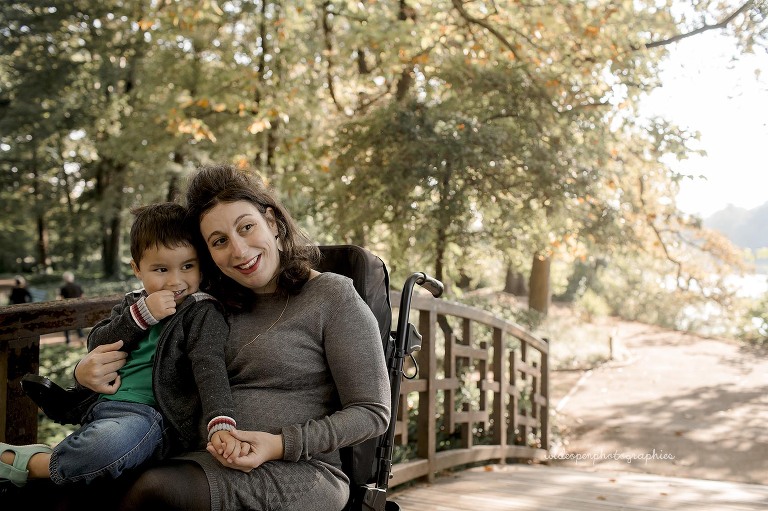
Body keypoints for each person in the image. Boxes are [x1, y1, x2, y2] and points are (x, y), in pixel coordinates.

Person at [71, 164, 391, 511]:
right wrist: (83, 373)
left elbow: (372, 412)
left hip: (299, 469)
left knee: (155, 492)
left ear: (271, 221)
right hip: (193, 456)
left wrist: (279, 444)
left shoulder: (332, 296)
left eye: (247, 227)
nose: (238, 251)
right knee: (73, 494)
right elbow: (144, 354)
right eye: (219, 241)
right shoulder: (203, 302)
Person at [0, 203, 240, 488]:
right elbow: (97, 342)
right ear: (137, 269)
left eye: (187, 266)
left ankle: (27, 463)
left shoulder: (201, 312)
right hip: (102, 402)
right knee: (102, 441)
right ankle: (69, 405)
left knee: (105, 447)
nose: (176, 281)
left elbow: (209, 367)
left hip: (149, 416)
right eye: (161, 269)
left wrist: (221, 423)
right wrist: (141, 315)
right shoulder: (133, 303)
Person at [59, 271, 85, 344]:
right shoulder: (78, 286)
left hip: (67, 309)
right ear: (72, 278)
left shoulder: (63, 288)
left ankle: (68, 341)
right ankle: (81, 338)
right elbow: (83, 297)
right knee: (78, 324)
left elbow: (61, 299)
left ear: (64, 279)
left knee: (66, 325)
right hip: (77, 309)